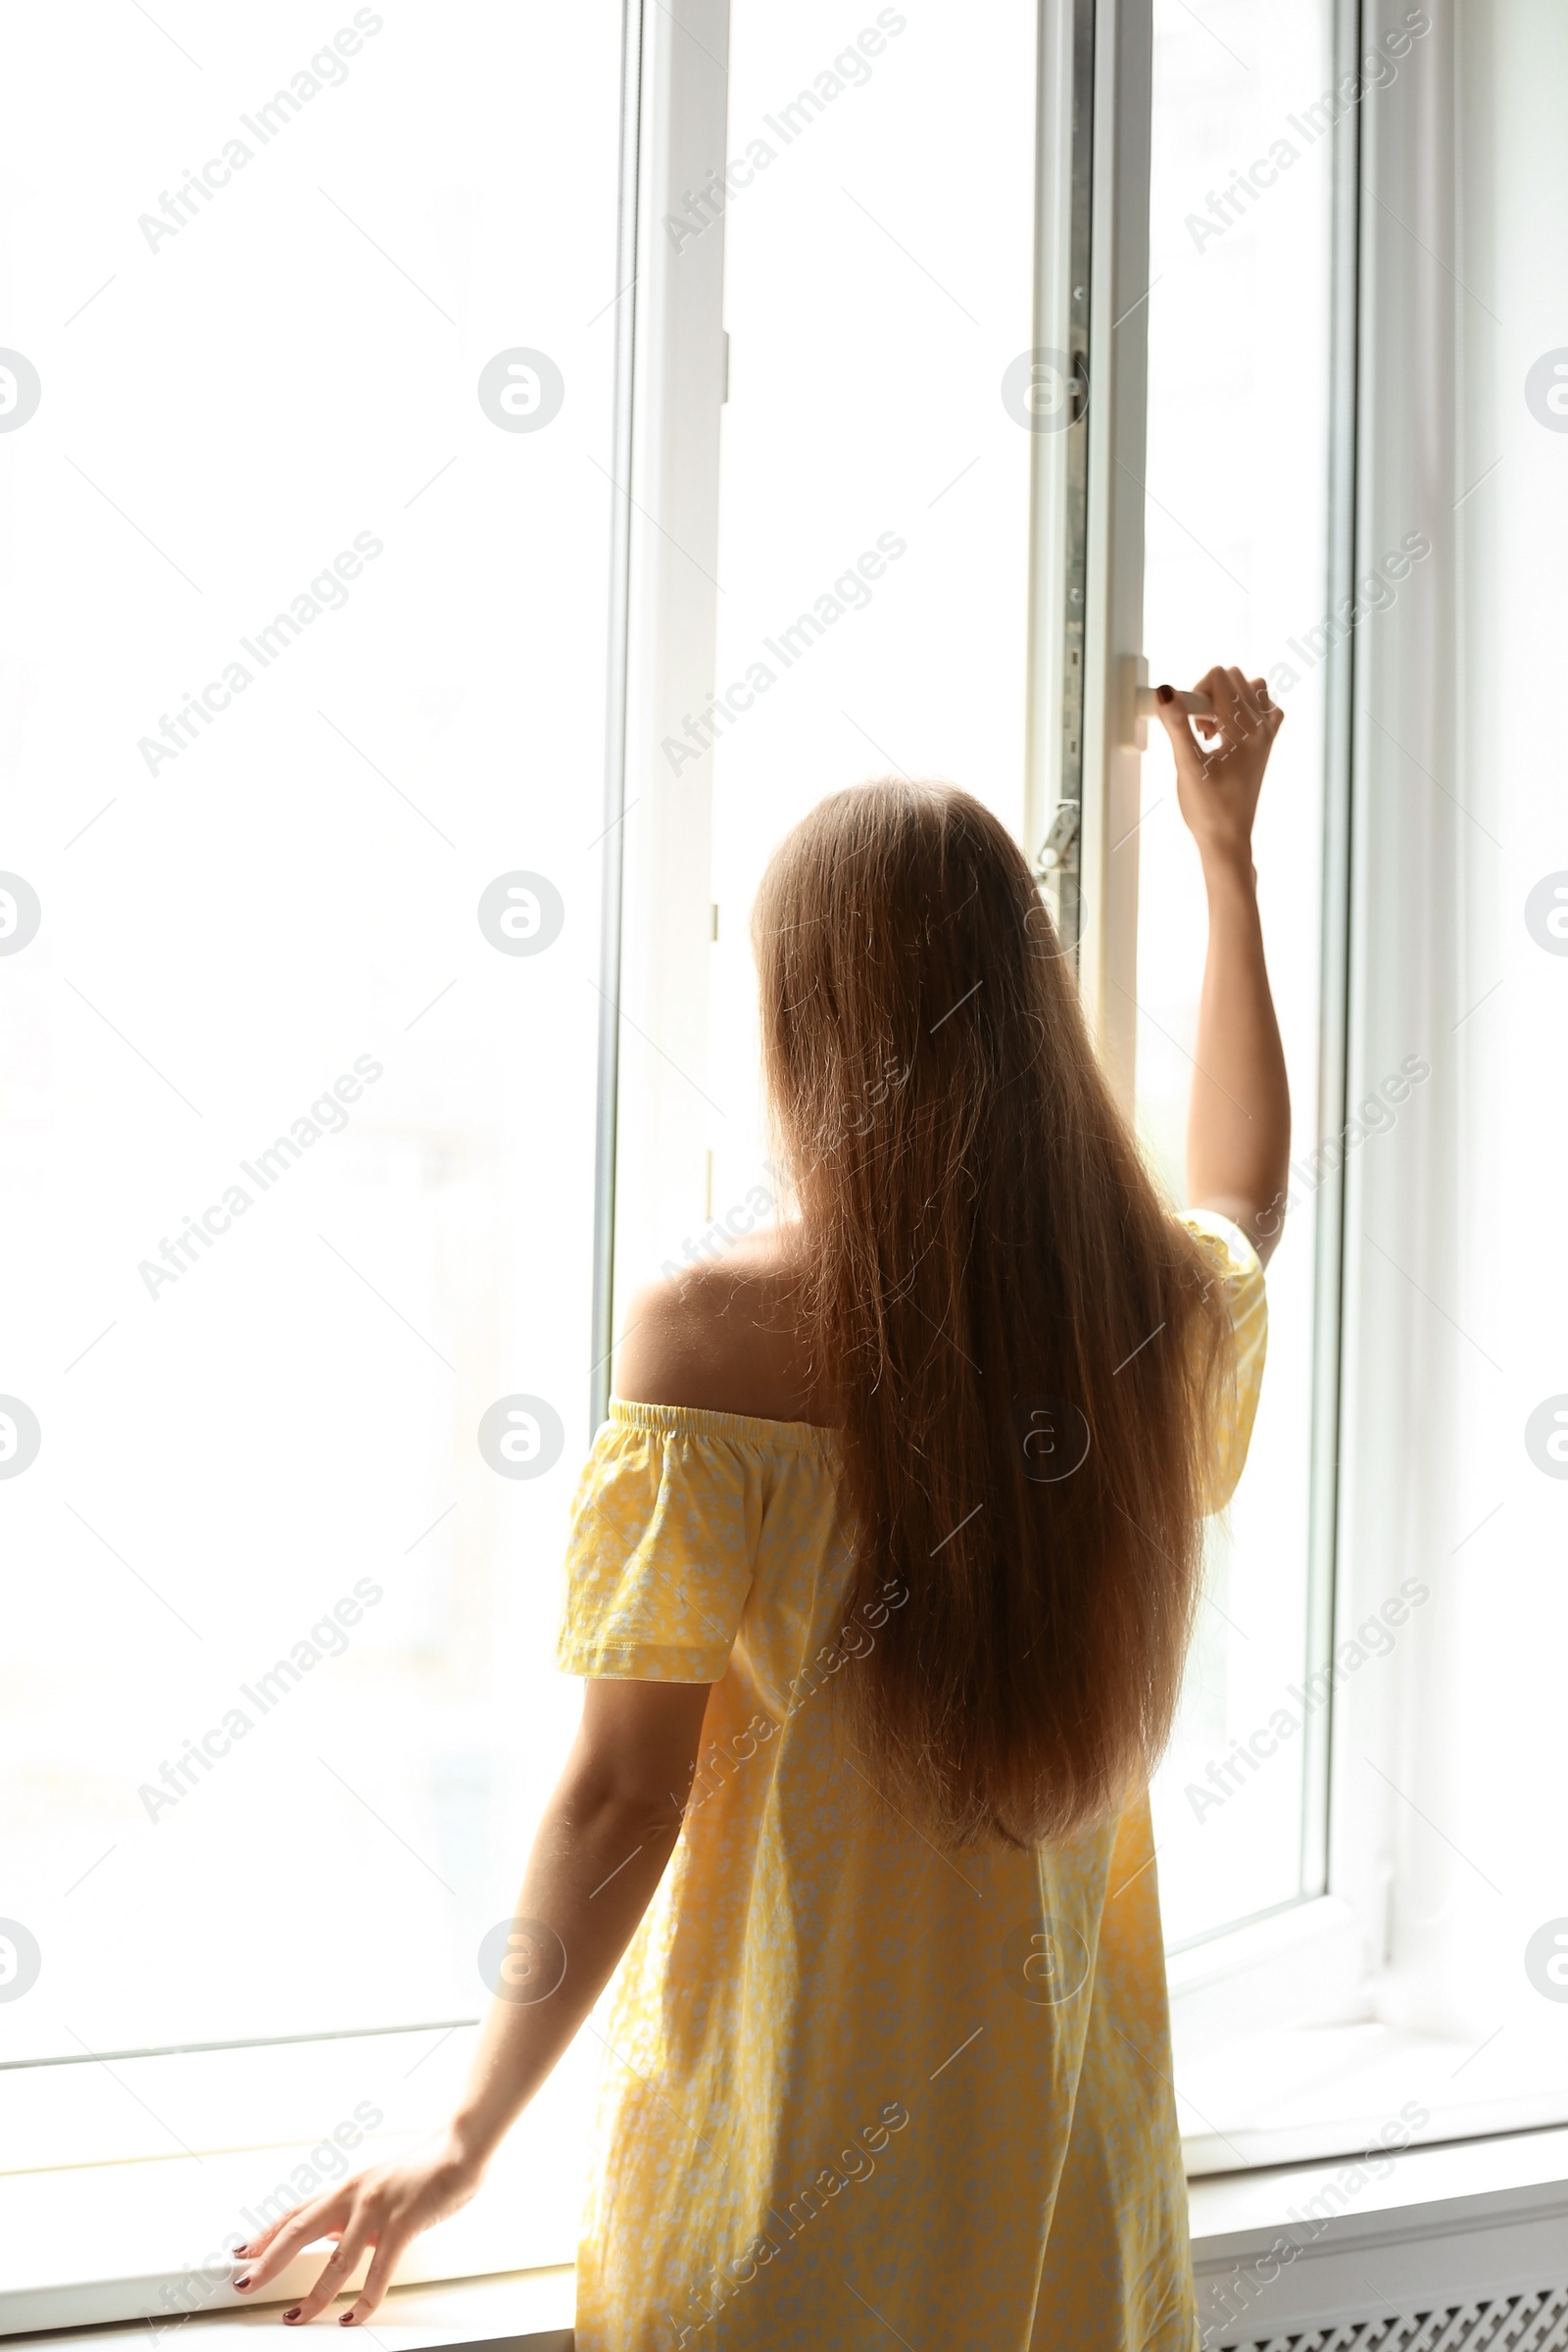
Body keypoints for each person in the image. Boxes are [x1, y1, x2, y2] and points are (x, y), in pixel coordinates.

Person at [231, 667, 1289, 2347]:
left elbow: (616, 1799)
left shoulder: (712, 1334)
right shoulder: (1136, 1313)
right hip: (1061, 2194)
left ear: (807, 1021)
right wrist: (1226, 865)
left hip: (786, 2172)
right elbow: (1243, 1194)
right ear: (1031, 1006)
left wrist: (464, 2133)